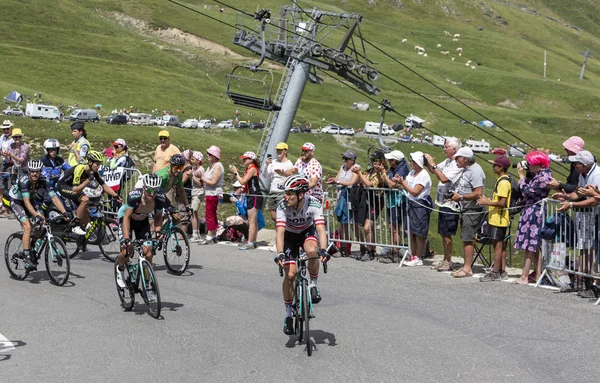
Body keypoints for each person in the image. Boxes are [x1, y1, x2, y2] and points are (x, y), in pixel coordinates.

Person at [273, 175, 329, 335]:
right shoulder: (283, 205)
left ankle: (313, 285)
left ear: (301, 195)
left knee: (312, 252)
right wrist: (280, 253)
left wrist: (323, 249)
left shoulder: (314, 203)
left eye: (290, 193)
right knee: (290, 274)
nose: (286, 196)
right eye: (285, 192)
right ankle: (288, 314)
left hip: (306, 232)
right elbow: (280, 232)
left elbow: (320, 230)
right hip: (289, 236)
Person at [115, 174, 174, 301]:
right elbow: (127, 217)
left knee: (148, 253)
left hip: (142, 222)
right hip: (127, 220)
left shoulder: (159, 198)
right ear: (144, 187)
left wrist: (158, 232)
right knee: (126, 251)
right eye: (149, 191)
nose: (152, 194)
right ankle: (119, 269)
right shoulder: (135, 196)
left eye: (155, 191)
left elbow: (158, 217)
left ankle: (148, 286)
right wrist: (126, 239)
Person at [2, 160, 69, 270]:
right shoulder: (24, 181)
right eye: (32, 171)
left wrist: (65, 212)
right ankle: (27, 256)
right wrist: (35, 214)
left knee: (42, 224)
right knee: (27, 226)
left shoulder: (44, 180)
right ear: (29, 171)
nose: (35, 174)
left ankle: (31, 243)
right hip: (17, 201)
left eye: (37, 171)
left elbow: (54, 197)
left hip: (30, 200)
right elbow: (26, 202)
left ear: (40, 171)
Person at [552, 150, 599, 295]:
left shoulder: (596, 176)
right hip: (589, 216)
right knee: (584, 248)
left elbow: (594, 200)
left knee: (591, 250)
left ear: (584, 165)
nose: (574, 165)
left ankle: (590, 283)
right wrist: (566, 197)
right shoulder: (583, 174)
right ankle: (583, 281)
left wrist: (571, 205)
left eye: (576, 163)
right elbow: (579, 193)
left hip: (594, 215)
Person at [58, 151, 122, 235]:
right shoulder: (80, 169)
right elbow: (75, 190)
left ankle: (81, 240)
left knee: (86, 211)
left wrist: (116, 196)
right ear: (90, 162)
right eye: (97, 164)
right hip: (64, 186)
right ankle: (75, 225)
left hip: (73, 187)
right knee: (85, 199)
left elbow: (104, 185)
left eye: (100, 164)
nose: (98, 167)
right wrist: (88, 180)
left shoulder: (94, 172)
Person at [423, 137, 464, 272]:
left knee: (447, 233)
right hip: (442, 201)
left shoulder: (457, 165)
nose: (444, 149)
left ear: (454, 149)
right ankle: (445, 259)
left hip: (451, 203)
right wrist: (427, 162)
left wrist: (433, 163)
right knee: (442, 232)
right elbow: (434, 170)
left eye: (446, 147)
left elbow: (444, 179)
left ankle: (449, 260)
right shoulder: (447, 162)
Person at [512, 151, 552, 284]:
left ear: (538, 164)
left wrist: (522, 176)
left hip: (534, 213)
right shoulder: (539, 175)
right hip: (532, 210)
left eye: (530, 163)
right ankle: (537, 274)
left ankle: (524, 276)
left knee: (529, 244)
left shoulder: (543, 177)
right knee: (534, 246)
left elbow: (527, 192)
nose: (528, 166)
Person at [449, 147, 486, 278]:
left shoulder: (475, 171)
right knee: (466, 237)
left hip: (472, 210)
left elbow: (478, 193)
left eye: (458, 158)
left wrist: (462, 197)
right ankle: (466, 265)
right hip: (466, 208)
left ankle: (467, 268)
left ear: (465, 159)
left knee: (468, 238)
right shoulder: (467, 170)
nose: (456, 160)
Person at [477, 155, 512, 282]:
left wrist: (487, 202)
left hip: (500, 219)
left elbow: (502, 203)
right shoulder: (501, 180)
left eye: (495, 165)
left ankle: (495, 272)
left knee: (497, 246)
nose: (493, 167)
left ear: (501, 167)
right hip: (496, 217)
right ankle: (502, 270)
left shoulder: (503, 182)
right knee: (499, 245)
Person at [394, 151, 432, 266]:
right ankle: (413, 255)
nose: (411, 163)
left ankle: (418, 256)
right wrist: (399, 181)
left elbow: (415, 191)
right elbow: (405, 185)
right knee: (410, 231)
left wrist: (403, 184)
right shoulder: (411, 173)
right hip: (411, 203)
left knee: (419, 232)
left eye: (413, 161)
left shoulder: (424, 175)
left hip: (420, 204)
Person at [353, 150, 387, 261]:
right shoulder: (369, 171)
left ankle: (370, 251)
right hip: (367, 200)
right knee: (369, 228)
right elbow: (362, 182)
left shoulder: (383, 172)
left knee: (367, 228)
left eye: (376, 160)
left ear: (382, 161)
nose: (374, 163)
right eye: (372, 160)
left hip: (376, 201)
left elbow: (370, 184)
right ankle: (371, 250)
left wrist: (359, 174)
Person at [327, 150, 360, 257]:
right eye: (344, 159)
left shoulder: (356, 168)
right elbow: (337, 179)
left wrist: (338, 182)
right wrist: (334, 180)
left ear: (352, 160)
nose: (344, 161)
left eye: (346, 159)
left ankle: (364, 246)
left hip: (351, 200)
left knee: (354, 225)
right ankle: (344, 247)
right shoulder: (342, 167)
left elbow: (352, 182)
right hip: (341, 198)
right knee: (343, 224)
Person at [379, 150, 410, 263]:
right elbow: (384, 181)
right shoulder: (392, 169)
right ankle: (392, 249)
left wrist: (384, 173)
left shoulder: (401, 170)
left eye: (391, 160)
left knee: (395, 227)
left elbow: (391, 185)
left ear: (396, 160)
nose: (389, 161)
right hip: (391, 201)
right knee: (391, 227)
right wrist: (381, 172)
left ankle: (395, 252)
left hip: (398, 201)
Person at [231, 151, 262, 250]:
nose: (243, 160)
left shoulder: (252, 168)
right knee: (253, 220)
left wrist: (236, 173)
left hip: (255, 195)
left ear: (251, 160)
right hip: (252, 195)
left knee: (252, 220)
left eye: (246, 159)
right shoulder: (249, 169)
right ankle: (253, 241)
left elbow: (243, 181)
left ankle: (250, 242)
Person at [262, 142, 293, 223]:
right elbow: (266, 175)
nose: (278, 152)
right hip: (272, 191)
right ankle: (279, 232)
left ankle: (283, 233)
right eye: (277, 150)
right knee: (273, 216)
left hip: (282, 192)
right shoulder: (274, 162)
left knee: (281, 215)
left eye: (280, 150)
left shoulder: (289, 164)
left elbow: (291, 178)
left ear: (285, 151)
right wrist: (266, 165)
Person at [199, 145, 224, 245]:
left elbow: (213, 182)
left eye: (210, 154)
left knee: (210, 214)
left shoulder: (217, 166)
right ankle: (213, 235)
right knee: (212, 214)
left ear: (215, 155)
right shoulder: (212, 166)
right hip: (210, 193)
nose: (207, 155)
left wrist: (201, 177)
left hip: (213, 193)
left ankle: (209, 236)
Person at [184, 151, 205, 243]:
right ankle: (196, 233)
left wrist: (192, 176)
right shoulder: (194, 168)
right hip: (194, 192)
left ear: (199, 160)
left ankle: (195, 234)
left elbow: (201, 183)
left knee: (193, 212)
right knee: (194, 213)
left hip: (198, 193)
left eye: (193, 159)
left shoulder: (201, 170)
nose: (192, 161)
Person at [0, 120, 14, 215]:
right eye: (4, 129)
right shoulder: (2, 138)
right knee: (1, 185)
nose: (6, 131)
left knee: (10, 185)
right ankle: (1, 204)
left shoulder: (13, 139)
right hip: (4, 162)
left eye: (7, 129)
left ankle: (9, 206)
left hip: (12, 163)